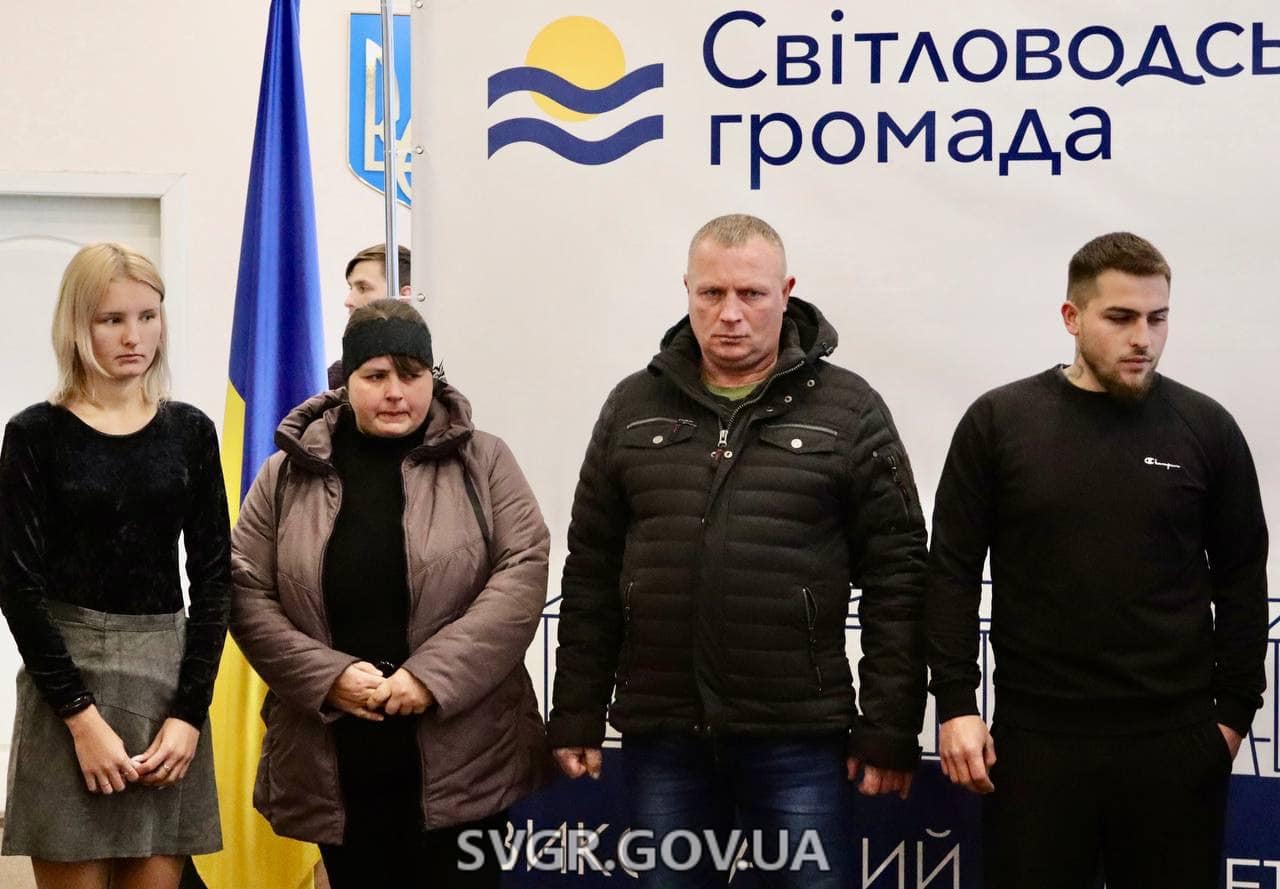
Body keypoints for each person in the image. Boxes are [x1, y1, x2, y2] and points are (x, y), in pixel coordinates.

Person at [547, 214, 929, 887]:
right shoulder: (631, 406)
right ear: (687, 291)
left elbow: (899, 578)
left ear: (786, 292)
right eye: (711, 293)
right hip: (664, 734)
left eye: (751, 294)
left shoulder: (849, 409)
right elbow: (591, 573)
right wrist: (576, 709)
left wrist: (890, 725)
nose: (730, 314)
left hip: (799, 735)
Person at [926, 232, 1269, 889]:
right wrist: (956, 703)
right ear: (1072, 317)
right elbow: (951, 573)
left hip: (1176, 744)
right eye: (1120, 317)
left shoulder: (1207, 428)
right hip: (1036, 743)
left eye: (1157, 318)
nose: (1143, 338)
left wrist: (1231, 718)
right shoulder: (1000, 422)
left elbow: (1243, 579)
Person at [230, 298, 551, 889]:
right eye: (375, 376)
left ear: (433, 376)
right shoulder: (285, 474)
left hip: (466, 757)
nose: (396, 392)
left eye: (412, 374)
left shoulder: (485, 461)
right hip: (338, 760)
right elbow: (245, 590)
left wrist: (430, 678)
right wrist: (328, 677)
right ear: (346, 381)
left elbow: (522, 572)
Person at [0, 243, 229, 889]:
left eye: (148, 316)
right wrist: (81, 718)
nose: (135, 336)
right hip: (67, 686)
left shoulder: (190, 431)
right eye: (112, 319)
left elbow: (215, 580)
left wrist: (189, 712)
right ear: (78, 325)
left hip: (167, 684)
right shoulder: (35, 434)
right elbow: (18, 587)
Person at [329, 243, 412, 388]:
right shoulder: (337, 380)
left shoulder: (440, 373)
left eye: (363, 288)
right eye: (351, 288)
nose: (348, 301)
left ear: (404, 297)